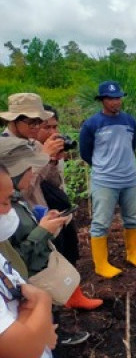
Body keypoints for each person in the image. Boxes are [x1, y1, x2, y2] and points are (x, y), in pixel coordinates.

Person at [0, 163, 91, 358]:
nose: (9, 209)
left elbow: (22, 346)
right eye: (4, 202)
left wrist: (33, 335)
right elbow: (26, 349)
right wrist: (39, 308)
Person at [0, 137, 102, 310]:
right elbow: (15, 261)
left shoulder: (16, 202)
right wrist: (42, 230)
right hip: (32, 283)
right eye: (29, 169)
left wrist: (44, 222)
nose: (33, 173)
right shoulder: (7, 213)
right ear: (14, 175)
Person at [79, 80, 136, 278]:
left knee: (132, 218)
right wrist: (104, 166)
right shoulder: (92, 124)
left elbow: (133, 145)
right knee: (101, 222)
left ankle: (132, 254)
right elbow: (85, 152)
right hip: (105, 179)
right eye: (111, 98)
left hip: (130, 178)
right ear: (102, 100)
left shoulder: (129, 121)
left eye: (118, 98)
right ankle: (101, 264)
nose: (115, 102)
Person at [36, 104, 82, 268]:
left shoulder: (54, 147)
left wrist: (54, 161)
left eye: (55, 126)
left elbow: (56, 183)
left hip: (59, 209)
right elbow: (27, 185)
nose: (53, 132)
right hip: (40, 214)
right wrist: (44, 157)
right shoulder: (26, 151)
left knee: (69, 253)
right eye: (46, 127)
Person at [0, 93, 65, 208]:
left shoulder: (34, 145)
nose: (37, 127)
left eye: (39, 122)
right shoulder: (6, 150)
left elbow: (52, 184)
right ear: (14, 120)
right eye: (32, 123)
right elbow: (22, 193)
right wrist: (44, 157)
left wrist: (52, 161)